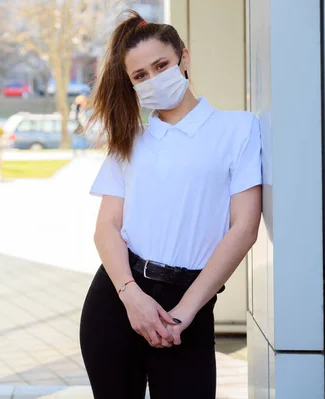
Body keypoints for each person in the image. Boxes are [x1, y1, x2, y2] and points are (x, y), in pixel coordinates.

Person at [79, 10, 262, 399]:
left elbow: (244, 229)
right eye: (140, 76)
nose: (153, 80)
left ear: (185, 59)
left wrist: (183, 313)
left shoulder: (239, 129)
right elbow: (106, 228)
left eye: (161, 65)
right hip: (119, 299)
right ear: (131, 85)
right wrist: (133, 297)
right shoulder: (130, 140)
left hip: (190, 306)